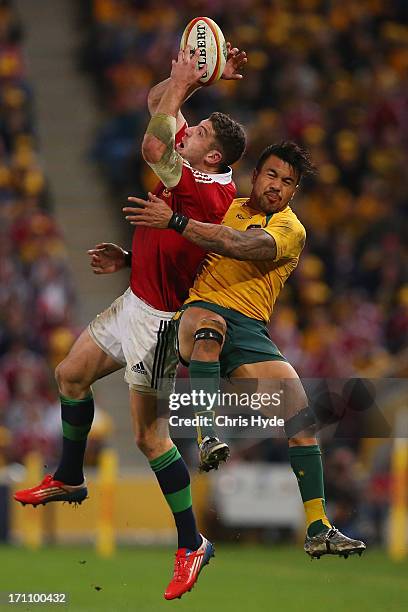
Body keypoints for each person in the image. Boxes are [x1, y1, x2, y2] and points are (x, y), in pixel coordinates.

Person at [14, 45, 247, 600]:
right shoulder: (198, 165)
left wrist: (185, 81)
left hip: (161, 324)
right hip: (137, 295)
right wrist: (195, 79)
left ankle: (192, 543)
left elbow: (152, 138)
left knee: (148, 437)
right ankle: (70, 477)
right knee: (69, 374)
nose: (186, 133)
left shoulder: (201, 187)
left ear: (211, 158)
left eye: (198, 133)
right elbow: (156, 106)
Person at [122, 140, 366, 560]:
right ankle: (207, 431)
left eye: (288, 182)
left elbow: (242, 246)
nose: (277, 186)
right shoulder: (226, 204)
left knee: (300, 414)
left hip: (251, 330)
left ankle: (317, 527)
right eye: (271, 175)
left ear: (294, 193)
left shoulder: (291, 230)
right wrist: (130, 258)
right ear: (256, 175)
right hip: (201, 310)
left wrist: (176, 220)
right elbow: (182, 249)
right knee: (210, 332)